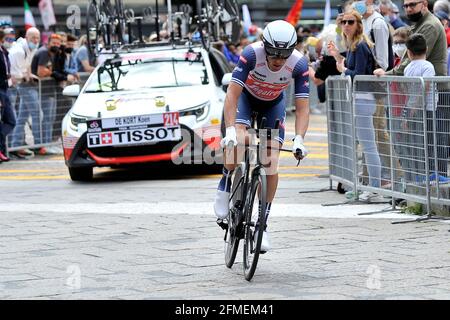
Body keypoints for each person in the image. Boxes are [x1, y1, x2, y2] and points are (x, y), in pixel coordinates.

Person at [213, 20, 310, 252]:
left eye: (283, 55)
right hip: (246, 100)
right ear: (264, 46)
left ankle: (262, 226)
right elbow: (232, 95)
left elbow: (303, 107)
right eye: (273, 54)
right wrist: (229, 130)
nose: (277, 60)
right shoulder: (250, 54)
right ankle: (226, 181)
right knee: (239, 139)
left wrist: (299, 138)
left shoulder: (299, 64)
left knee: (271, 160)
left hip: (273, 105)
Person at [374, 0, 449, 179]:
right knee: (426, 139)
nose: (408, 9)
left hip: (436, 93)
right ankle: (428, 181)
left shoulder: (429, 25)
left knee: (434, 139)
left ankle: (434, 182)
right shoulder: (420, 24)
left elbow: (413, 58)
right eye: (406, 5)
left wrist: (388, 74)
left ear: (424, 4)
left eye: (412, 5)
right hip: (426, 93)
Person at [328, 10, 382, 201]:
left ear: (358, 25)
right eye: (343, 22)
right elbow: (352, 69)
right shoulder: (353, 46)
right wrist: (337, 57)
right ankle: (366, 185)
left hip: (363, 99)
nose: (346, 25)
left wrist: (343, 68)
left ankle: (374, 186)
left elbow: (357, 73)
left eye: (351, 22)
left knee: (368, 145)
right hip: (359, 99)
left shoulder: (359, 46)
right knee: (364, 145)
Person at [9, 27, 40, 158]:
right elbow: (14, 74)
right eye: (33, 38)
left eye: (38, 38)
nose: (36, 40)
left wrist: (29, 74)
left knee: (19, 118)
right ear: (27, 38)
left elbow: (27, 65)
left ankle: (16, 146)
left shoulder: (30, 48)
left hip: (18, 85)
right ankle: (11, 147)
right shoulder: (18, 51)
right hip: (10, 86)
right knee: (12, 119)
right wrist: (27, 77)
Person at [0, 29, 16, 162]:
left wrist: (9, 78)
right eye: (6, 38)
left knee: (10, 121)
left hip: (5, 90)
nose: (8, 40)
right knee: (10, 120)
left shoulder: (4, 51)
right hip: (1, 90)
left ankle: (1, 150)